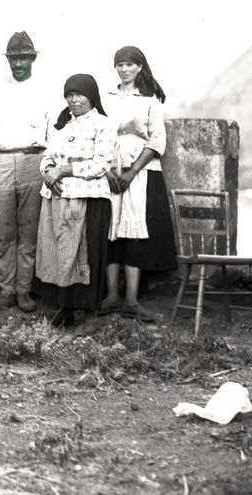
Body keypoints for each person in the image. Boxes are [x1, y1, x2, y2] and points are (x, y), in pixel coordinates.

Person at [101, 46, 176, 322]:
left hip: (140, 172)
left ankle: (131, 298)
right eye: (119, 64)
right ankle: (112, 296)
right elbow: (99, 132)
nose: (124, 70)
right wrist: (108, 171)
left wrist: (131, 172)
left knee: (134, 231)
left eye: (129, 65)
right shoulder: (106, 98)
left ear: (139, 68)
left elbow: (157, 141)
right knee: (112, 228)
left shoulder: (149, 100)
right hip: (110, 168)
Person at [0, 31, 51, 313]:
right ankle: (6, 290)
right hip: (2, 162)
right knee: (4, 230)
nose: (18, 63)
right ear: (8, 59)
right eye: (14, 58)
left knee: (29, 230)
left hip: (34, 160)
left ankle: (24, 290)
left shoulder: (45, 89)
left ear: (32, 58)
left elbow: (51, 131)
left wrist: (49, 165)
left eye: (23, 57)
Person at [36, 74, 116, 327]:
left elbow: (101, 163)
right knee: (60, 253)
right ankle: (66, 308)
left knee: (87, 255)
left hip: (88, 199)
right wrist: (50, 172)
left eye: (79, 94)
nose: (74, 100)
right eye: (69, 95)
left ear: (91, 96)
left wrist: (64, 170)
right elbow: (48, 156)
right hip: (57, 196)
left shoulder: (103, 125)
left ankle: (90, 314)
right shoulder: (63, 126)